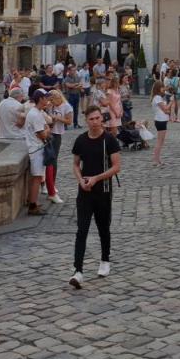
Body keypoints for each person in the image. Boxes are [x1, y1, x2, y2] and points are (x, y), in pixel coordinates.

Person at [68, 106, 123, 289]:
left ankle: (105, 259)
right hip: (85, 191)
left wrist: (96, 178)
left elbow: (116, 167)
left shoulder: (109, 140)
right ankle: (78, 271)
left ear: (102, 119)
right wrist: (81, 179)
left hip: (103, 190)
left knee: (103, 227)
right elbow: (76, 164)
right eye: (91, 119)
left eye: (97, 118)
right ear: (87, 120)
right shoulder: (81, 140)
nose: (94, 122)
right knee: (81, 230)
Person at [22, 90, 51, 216]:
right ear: (40, 99)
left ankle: (32, 201)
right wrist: (48, 130)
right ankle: (33, 206)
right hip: (36, 149)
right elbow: (43, 134)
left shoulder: (36, 113)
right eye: (46, 98)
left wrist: (46, 129)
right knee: (37, 177)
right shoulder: (36, 114)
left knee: (36, 177)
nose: (48, 100)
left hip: (35, 148)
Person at [45, 90, 72, 205]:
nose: (51, 102)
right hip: (48, 133)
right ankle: (48, 185)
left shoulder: (66, 107)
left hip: (57, 134)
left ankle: (52, 183)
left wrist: (57, 118)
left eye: (53, 99)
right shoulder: (50, 106)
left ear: (58, 97)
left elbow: (69, 121)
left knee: (53, 160)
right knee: (48, 160)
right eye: (50, 100)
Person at [150, 81, 171, 169]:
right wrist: (171, 102)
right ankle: (155, 160)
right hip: (160, 120)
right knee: (159, 141)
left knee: (161, 141)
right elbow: (165, 108)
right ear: (158, 88)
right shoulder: (157, 97)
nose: (163, 88)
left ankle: (158, 159)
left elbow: (166, 111)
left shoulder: (160, 97)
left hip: (163, 120)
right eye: (162, 87)